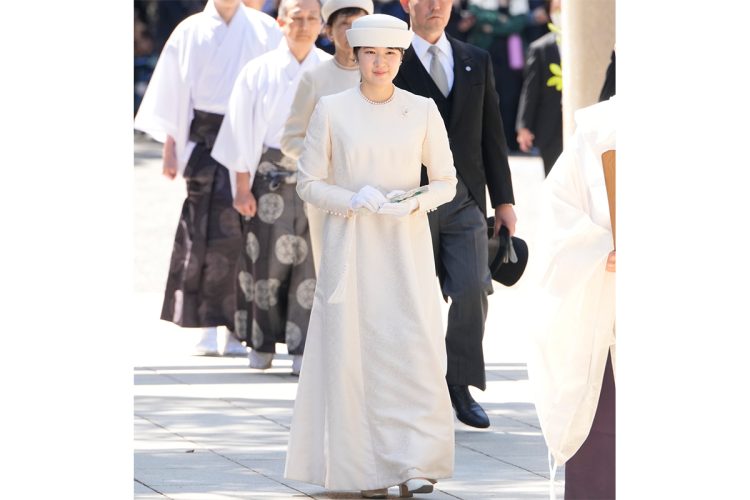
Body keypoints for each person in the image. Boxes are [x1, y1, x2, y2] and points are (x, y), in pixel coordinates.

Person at [284, 14, 457, 498]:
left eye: (391, 55)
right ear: (355, 56)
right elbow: (308, 182)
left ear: (402, 59)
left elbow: (446, 181)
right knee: (356, 354)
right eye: (371, 54)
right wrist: (350, 198)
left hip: (406, 247)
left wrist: (413, 201)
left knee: (414, 349)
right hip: (352, 245)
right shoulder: (332, 109)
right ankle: (361, 468)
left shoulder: (422, 109)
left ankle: (416, 462)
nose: (381, 63)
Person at [134, 0, 282, 356]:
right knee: (201, 231)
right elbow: (175, 91)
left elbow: (274, 87)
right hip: (203, 141)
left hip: (249, 138)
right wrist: (171, 147)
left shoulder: (265, 28)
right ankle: (204, 322)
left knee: (246, 233)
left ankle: (236, 326)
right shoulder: (189, 30)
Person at [394, 0, 517, 429]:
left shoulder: (474, 59)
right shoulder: (390, 56)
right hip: (409, 199)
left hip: (465, 199)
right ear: (407, 4)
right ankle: (411, 387)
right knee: (413, 298)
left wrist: (504, 201)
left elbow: (492, 133)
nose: (435, 7)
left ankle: (459, 383)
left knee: (473, 288)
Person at [211, 0, 329, 375]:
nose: (305, 25)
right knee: (264, 262)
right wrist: (242, 186)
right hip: (269, 175)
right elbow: (239, 131)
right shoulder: (258, 70)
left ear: (322, 23)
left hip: (315, 177)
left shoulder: (329, 71)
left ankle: (303, 347)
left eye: (313, 18)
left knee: (311, 265)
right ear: (281, 21)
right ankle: (260, 344)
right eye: (298, 17)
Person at [525, 96, 616, 499]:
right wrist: (599, 247)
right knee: (602, 417)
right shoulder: (599, 128)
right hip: (606, 297)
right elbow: (558, 213)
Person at [280, 0, 374, 272]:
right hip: (330, 197)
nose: (352, 32)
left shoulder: (384, 74)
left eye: (359, 25)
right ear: (329, 31)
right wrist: (325, 158)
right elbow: (291, 138)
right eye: (344, 24)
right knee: (333, 277)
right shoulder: (314, 78)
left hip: (377, 193)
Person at [516, 0, 562, 176]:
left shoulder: (586, 44)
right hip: (549, 126)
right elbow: (530, 89)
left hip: (576, 123)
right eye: (556, 9)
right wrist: (524, 126)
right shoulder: (540, 48)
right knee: (553, 176)